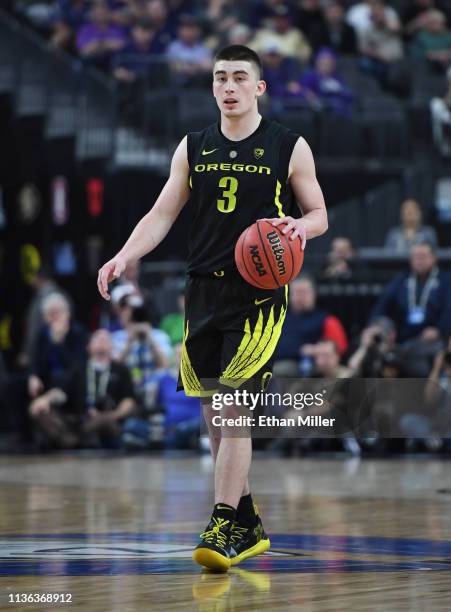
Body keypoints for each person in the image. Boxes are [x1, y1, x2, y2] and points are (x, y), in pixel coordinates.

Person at [97, 44, 328, 571]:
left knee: (232, 407)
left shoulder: (288, 145)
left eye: (239, 77)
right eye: (220, 77)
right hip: (201, 289)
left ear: (259, 87)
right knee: (213, 412)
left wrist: (299, 226)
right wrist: (123, 256)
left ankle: (223, 523)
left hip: (259, 296)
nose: (228, 86)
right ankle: (246, 519)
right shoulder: (192, 146)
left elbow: (319, 214)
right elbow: (161, 213)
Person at [29, 329, 136, 449]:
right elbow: (61, 392)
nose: (101, 341)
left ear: (112, 347)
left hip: (107, 418)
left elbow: (129, 400)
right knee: (41, 411)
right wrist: (46, 399)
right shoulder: (78, 368)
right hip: (78, 420)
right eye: (97, 339)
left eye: (105, 339)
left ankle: (74, 441)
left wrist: (113, 415)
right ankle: (73, 441)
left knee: (106, 423)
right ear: (88, 346)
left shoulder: (121, 370)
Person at [370, 242, 451, 376]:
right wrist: (375, 324)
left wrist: (439, 330)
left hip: (433, 337)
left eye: (423, 256)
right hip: (402, 336)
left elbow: (449, 310)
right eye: (416, 257)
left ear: (434, 258)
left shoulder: (446, 280)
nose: (419, 261)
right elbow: (383, 303)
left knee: (421, 354)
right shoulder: (402, 278)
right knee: (376, 347)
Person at [274, 275, 348, 377]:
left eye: (304, 292)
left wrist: (315, 350)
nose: (300, 297)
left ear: (313, 294)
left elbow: (339, 348)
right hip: (278, 361)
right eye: (297, 292)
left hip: (310, 366)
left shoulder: (326, 320)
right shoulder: (280, 319)